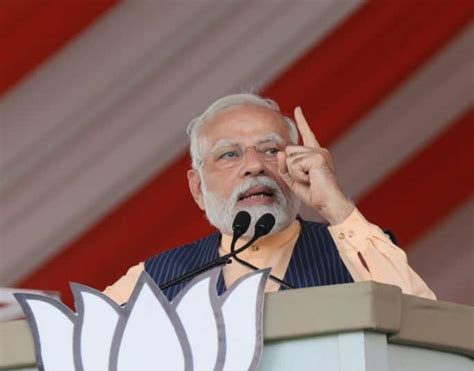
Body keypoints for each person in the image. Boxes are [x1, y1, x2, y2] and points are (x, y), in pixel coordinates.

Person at [104, 93, 435, 304]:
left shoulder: (356, 250)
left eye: (271, 150)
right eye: (230, 154)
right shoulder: (160, 276)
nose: (254, 166)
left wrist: (334, 204)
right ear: (197, 189)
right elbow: (79, 353)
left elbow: (425, 329)